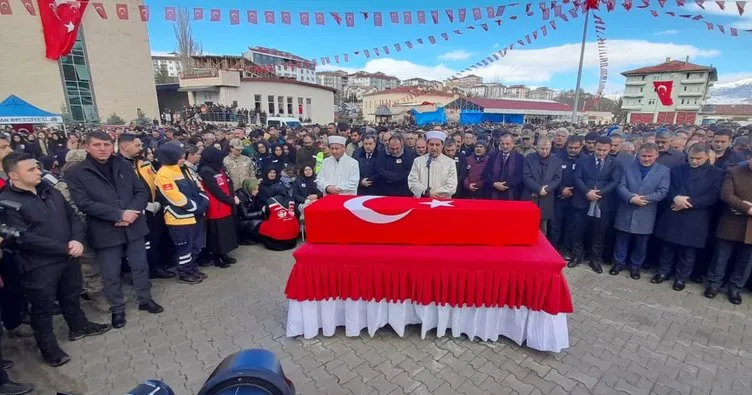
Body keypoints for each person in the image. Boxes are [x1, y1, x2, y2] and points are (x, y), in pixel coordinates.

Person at [0, 152, 111, 367]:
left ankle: (78, 327)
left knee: (71, 296)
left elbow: (72, 216)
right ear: (14, 174)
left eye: (37, 167)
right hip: (38, 265)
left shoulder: (49, 190)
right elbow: (22, 238)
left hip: (69, 255)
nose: (38, 171)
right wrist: (64, 247)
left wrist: (76, 240)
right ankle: (50, 350)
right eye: (31, 169)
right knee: (42, 308)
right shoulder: (6, 202)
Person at [66, 131, 163, 329]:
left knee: (140, 265)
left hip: (134, 224)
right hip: (105, 229)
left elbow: (140, 191)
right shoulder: (76, 172)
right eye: (97, 145)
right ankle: (117, 308)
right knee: (110, 272)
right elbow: (84, 203)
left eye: (106, 144)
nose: (102, 148)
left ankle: (145, 299)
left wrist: (132, 212)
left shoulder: (124, 165)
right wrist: (118, 215)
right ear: (87, 146)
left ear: (113, 146)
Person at [652, 143, 722, 291]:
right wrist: (675, 197)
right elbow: (667, 188)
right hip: (674, 211)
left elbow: (712, 196)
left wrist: (688, 202)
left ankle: (681, 278)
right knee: (668, 246)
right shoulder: (677, 170)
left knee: (688, 251)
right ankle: (663, 272)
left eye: (698, 158)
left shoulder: (716, 173)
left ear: (706, 157)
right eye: (691, 158)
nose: (694, 161)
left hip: (695, 216)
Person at [117, 134, 175, 280]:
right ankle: (146, 271)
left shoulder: (144, 163)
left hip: (155, 209)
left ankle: (157, 267)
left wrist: (159, 201)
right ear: (124, 146)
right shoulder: (118, 165)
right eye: (137, 145)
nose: (141, 148)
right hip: (136, 212)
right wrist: (144, 205)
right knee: (143, 245)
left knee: (156, 240)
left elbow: (156, 181)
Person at [610, 143, 670, 280]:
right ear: (638, 154)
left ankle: (635, 266)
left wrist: (644, 199)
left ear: (656, 156)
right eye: (643, 156)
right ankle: (619, 263)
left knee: (641, 242)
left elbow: (662, 191)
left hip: (646, 210)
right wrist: (631, 197)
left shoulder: (663, 171)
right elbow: (620, 185)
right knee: (621, 238)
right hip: (626, 207)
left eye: (650, 156)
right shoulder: (628, 167)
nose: (646, 159)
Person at [156, 143, 209, 284]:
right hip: (179, 218)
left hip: (195, 215)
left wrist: (204, 201)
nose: (182, 160)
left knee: (195, 246)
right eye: (179, 157)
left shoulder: (183, 169)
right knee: (184, 248)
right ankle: (184, 273)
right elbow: (175, 197)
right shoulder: (164, 174)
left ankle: (192, 267)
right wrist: (196, 208)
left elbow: (198, 187)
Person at [569, 136, 622, 273]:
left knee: (599, 234)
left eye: (605, 150)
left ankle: (595, 260)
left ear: (610, 149)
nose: (601, 153)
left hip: (603, 204)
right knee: (578, 231)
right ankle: (576, 256)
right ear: (594, 147)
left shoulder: (615, 163)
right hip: (582, 201)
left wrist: (599, 193)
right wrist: (587, 192)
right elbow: (577, 178)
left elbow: (615, 181)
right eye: (599, 149)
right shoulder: (583, 160)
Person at [705, 159, 752, 305]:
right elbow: (727, 195)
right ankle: (714, 284)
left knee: (746, 260)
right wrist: (748, 209)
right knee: (721, 255)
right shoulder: (734, 171)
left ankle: (735, 288)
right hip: (731, 222)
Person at [199, 147, 239, 268]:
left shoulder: (219, 168)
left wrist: (232, 196)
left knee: (226, 232)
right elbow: (215, 190)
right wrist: (230, 200)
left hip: (226, 205)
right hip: (216, 207)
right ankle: (217, 257)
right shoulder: (206, 171)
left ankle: (224, 254)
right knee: (217, 234)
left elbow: (228, 182)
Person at [550, 136, 584, 258]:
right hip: (558, 197)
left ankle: (566, 250)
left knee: (571, 226)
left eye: (576, 148)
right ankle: (553, 250)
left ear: (581, 147)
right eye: (570, 147)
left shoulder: (584, 160)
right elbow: (551, 177)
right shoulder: (557, 158)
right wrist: (562, 189)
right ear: (566, 145)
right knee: (555, 226)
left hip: (576, 198)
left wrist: (573, 191)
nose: (573, 150)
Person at [522, 138, 562, 235]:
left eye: (547, 149)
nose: (544, 151)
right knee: (526, 225)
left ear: (550, 147)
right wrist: (538, 189)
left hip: (546, 197)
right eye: (542, 149)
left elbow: (557, 179)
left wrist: (545, 190)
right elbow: (526, 177)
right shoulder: (529, 158)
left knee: (542, 228)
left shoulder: (556, 160)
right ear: (537, 148)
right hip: (530, 196)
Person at [408, 131, 457, 198]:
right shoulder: (418, 161)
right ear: (427, 145)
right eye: (431, 144)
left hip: (442, 201)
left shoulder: (450, 163)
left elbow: (452, 186)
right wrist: (425, 192)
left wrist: (432, 193)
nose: (434, 148)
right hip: (422, 199)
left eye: (437, 145)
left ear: (442, 146)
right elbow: (412, 182)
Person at [484, 133, 524, 201]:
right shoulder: (492, 156)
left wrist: (504, 185)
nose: (505, 146)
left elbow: (519, 176)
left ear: (513, 144)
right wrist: (495, 184)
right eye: (503, 144)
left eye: (507, 144)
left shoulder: (520, 158)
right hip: (493, 192)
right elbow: (487, 173)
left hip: (512, 193)